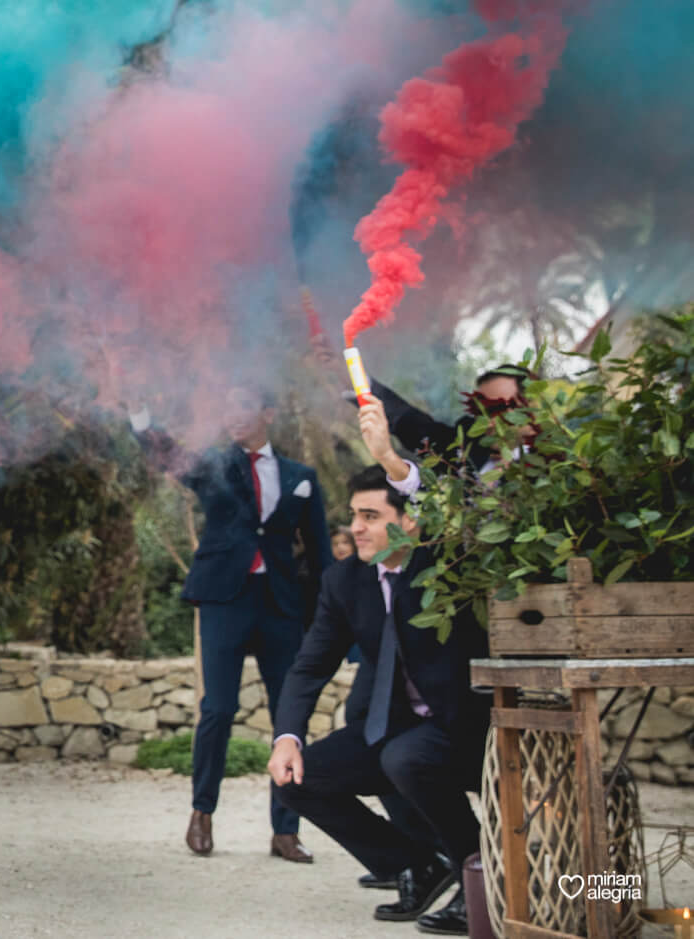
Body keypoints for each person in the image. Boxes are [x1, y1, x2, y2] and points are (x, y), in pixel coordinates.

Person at [268, 424, 490, 935]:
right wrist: (287, 737)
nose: (357, 529)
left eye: (371, 517)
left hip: (467, 726)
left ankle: (477, 874)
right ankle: (412, 864)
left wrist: (392, 458)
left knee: (405, 756)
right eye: (354, 516)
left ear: (409, 522)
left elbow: (450, 507)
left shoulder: (446, 561)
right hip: (398, 728)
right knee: (298, 780)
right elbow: (310, 665)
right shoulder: (345, 580)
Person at [138, 389, 329, 863]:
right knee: (217, 709)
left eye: (242, 406)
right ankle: (202, 813)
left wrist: (331, 615)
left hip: (282, 606)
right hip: (225, 598)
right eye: (225, 407)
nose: (232, 415)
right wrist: (139, 415)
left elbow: (321, 553)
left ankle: (286, 831)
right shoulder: (213, 466)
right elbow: (169, 456)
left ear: (268, 412)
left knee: (289, 716)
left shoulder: (301, 477)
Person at [371, 363, 535, 475]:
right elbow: (415, 426)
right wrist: (361, 384)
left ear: (531, 405)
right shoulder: (467, 444)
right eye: (480, 411)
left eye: (498, 409)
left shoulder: (554, 463)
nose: (488, 422)